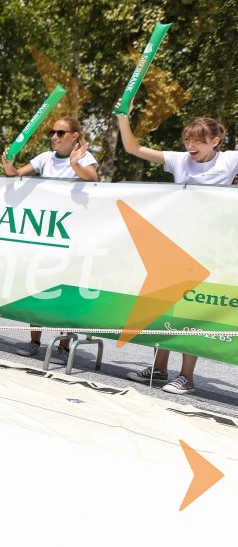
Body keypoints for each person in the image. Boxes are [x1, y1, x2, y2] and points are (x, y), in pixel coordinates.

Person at [117, 102, 238, 394]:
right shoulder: (178, 160)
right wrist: (123, 116)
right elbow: (133, 147)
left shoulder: (230, 160)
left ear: (215, 141)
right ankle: (159, 369)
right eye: (187, 139)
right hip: (175, 245)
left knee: (191, 311)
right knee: (165, 305)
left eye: (197, 139)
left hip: (210, 252)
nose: (190, 144)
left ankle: (187, 377)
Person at [1, 116, 98, 363]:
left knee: (65, 289)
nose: (54, 137)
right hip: (46, 231)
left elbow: (93, 180)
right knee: (38, 285)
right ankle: (35, 341)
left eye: (61, 133)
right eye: (52, 132)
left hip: (73, 232)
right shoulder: (45, 157)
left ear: (75, 136)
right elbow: (16, 175)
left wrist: (75, 163)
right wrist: (9, 166)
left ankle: (64, 346)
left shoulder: (84, 157)